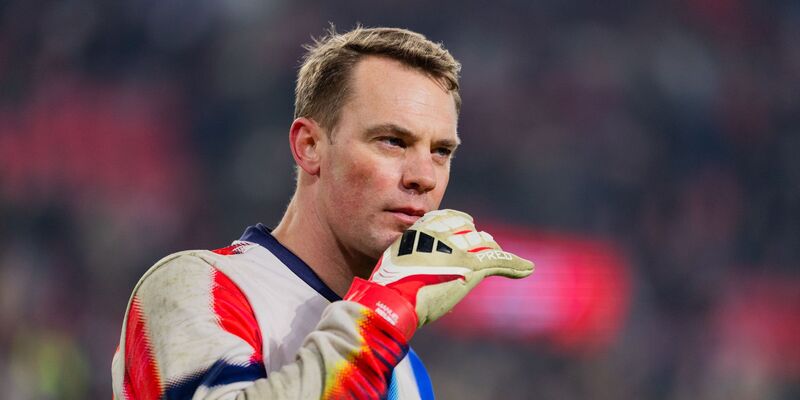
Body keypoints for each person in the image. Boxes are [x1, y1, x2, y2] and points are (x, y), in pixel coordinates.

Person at [111, 26, 534, 400]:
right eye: (391, 141)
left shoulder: (406, 372)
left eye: (441, 151)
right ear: (310, 146)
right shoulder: (196, 286)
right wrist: (383, 313)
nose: (423, 176)